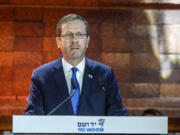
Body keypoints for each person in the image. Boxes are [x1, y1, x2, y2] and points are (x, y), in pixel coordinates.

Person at [24, 14, 127, 116]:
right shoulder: (42, 76)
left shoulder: (104, 74)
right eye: (69, 35)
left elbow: (117, 113)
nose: (74, 40)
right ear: (58, 41)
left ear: (87, 41)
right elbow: (33, 116)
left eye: (79, 35)